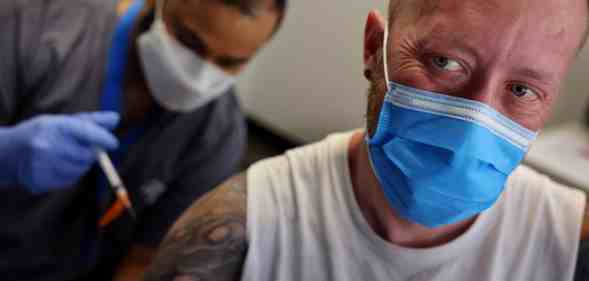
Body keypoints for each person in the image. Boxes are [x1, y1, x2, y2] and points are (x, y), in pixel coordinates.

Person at [143, 0, 589, 280]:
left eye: (522, 91)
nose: (476, 120)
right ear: (375, 47)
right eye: (444, 62)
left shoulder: (570, 247)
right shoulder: (240, 234)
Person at [0, 0, 286, 280]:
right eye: (189, 41)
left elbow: (144, 260)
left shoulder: (217, 133)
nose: (197, 77)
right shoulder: (31, 27)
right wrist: (6, 156)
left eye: (229, 63)